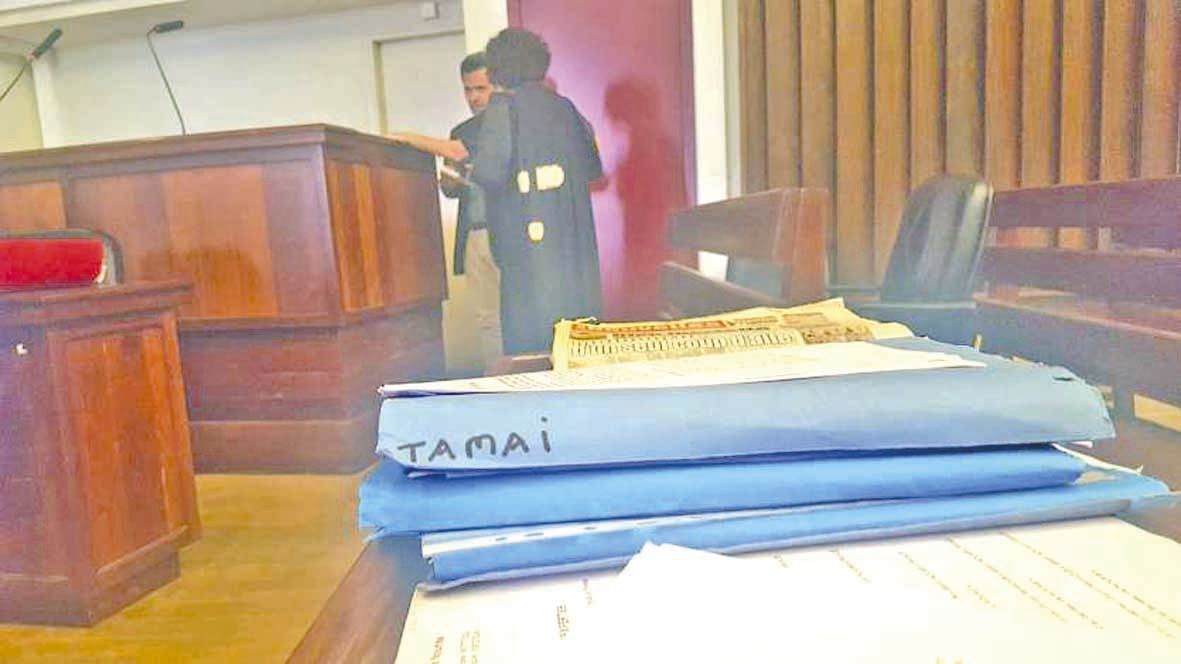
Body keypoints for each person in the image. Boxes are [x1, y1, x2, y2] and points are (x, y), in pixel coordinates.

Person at [469, 28, 604, 354]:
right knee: (575, 336)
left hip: (526, 252)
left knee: (530, 342)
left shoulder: (503, 109)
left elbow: (489, 173)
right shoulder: (567, 108)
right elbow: (593, 167)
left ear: (497, 69)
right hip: (572, 249)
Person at [389, 53, 504, 367]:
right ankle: (498, 381)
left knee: (515, 313)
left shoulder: (505, 123)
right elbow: (450, 187)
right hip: (474, 231)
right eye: (468, 90)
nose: (474, 97)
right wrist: (452, 179)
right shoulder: (462, 129)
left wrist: (408, 138)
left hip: (507, 231)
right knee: (487, 318)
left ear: (497, 86)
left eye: (481, 88)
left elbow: (456, 150)